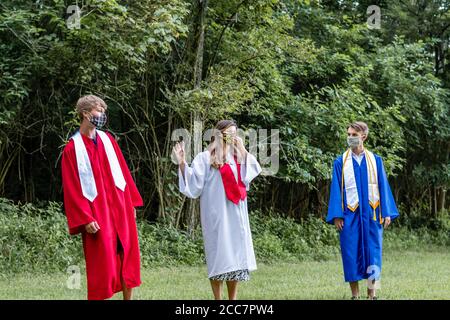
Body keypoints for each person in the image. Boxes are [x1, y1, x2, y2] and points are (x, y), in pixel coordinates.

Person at [61, 95, 143, 300]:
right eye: (99, 111)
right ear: (86, 113)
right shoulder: (72, 149)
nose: (102, 115)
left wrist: (130, 201)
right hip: (97, 212)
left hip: (119, 206)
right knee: (102, 262)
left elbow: (123, 172)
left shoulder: (108, 140)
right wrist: (85, 217)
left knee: (126, 255)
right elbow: (72, 188)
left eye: (103, 111)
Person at [172, 120, 262, 300]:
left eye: (235, 133)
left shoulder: (238, 157)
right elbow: (193, 185)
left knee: (235, 257)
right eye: (228, 133)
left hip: (236, 214)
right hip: (216, 215)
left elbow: (252, 171)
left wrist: (243, 149)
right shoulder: (204, 158)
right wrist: (182, 163)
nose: (231, 137)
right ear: (217, 134)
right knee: (219, 256)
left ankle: (232, 299)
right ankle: (218, 300)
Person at [326, 121, 399, 300]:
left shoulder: (375, 160)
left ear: (363, 136)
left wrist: (387, 212)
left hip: (372, 213)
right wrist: (337, 215)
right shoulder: (340, 162)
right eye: (348, 134)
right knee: (351, 253)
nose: (350, 137)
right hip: (350, 214)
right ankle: (355, 295)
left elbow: (383, 186)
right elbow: (336, 189)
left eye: (354, 135)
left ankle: (372, 294)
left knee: (373, 253)